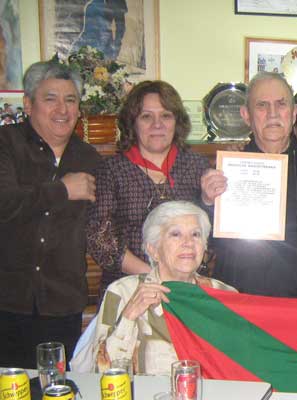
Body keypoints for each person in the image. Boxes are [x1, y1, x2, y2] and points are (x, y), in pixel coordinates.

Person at [0, 61, 102, 368]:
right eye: (50, 98)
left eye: (70, 100)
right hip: (8, 299)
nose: (62, 109)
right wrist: (62, 190)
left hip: (62, 303)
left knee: (56, 388)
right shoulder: (6, 143)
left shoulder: (89, 158)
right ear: (28, 104)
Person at [207, 72, 297, 298]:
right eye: (262, 105)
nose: (272, 114)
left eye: (281, 104)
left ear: (293, 113)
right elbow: (204, 240)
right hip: (240, 304)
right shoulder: (226, 171)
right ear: (246, 115)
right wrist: (207, 201)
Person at [87, 80, 213, 298]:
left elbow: (211, 231)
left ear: (177, 121)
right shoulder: (112, 169)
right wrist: (154, 276)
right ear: (132, 123)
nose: (157, 124)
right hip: (129, 288)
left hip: (186, 290)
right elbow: (100, 238)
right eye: (147, 116)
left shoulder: (197, 166)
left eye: (166, 115)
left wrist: (209, 201)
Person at [91, 201, 236, 375]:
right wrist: (129, 316)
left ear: (204, 247)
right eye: (175, 234)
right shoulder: (123, 291)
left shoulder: (224, 294)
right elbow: (101, 370)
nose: (188, 243)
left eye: (196, 235)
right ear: (153, 250)